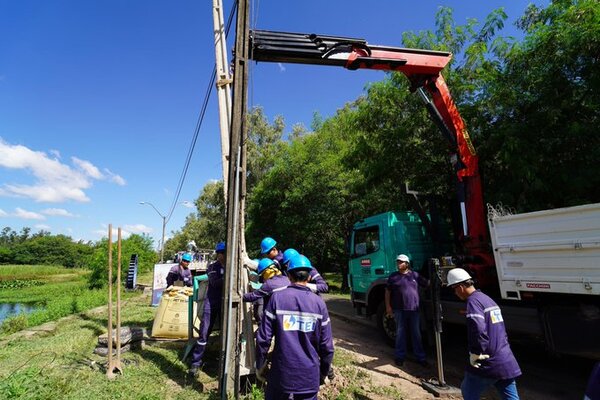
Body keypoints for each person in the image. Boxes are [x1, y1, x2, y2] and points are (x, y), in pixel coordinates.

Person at [255, 254, 334, 400]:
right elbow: (327, 347)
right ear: (309, 277)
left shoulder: (276, 299)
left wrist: (260, 365)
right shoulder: (319, 304)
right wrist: (323, 372)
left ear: (289, 276)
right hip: (309, 379)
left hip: (281, 378)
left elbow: (263, 339)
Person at [447, 268, 521, 400]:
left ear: (461, 287)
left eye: (454, 288)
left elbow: (478, 329)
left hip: (487, 362)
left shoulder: (473, 302)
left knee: (468, 391)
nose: (455, 292)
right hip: (505, 359)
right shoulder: (487, 299)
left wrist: (476, 353)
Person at [384, 254, 429, 367]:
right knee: (400, 334)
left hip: (414, 309)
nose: (399, 264)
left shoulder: (414, 275)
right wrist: (388, 307)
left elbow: (427, 284)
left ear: (407, 264)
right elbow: (387, 292)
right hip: (399, 310)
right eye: (398, 262)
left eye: (401, 262)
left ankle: (420, 357)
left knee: (416, 334)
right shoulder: (393, 277)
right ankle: (400, 356)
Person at [189, 241, 226, 377]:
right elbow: (215, 283)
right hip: (212, 304)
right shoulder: (212, 267)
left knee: (227, 333)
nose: (225, 255)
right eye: (223, 253)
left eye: (226, 253)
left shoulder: (230, 267)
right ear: (218, 254)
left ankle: (224, 363)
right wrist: (229, 276)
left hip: (226, 304)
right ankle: (195, 363)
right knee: (204, 333)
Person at [243, 258, 291, 323]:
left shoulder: (269, 284)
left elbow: (252, 296)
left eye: (262, 275)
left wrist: (241, 296)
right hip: (289, 316)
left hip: (276, 318)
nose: (262, 279)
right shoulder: (287, 279)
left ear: (266, 273)